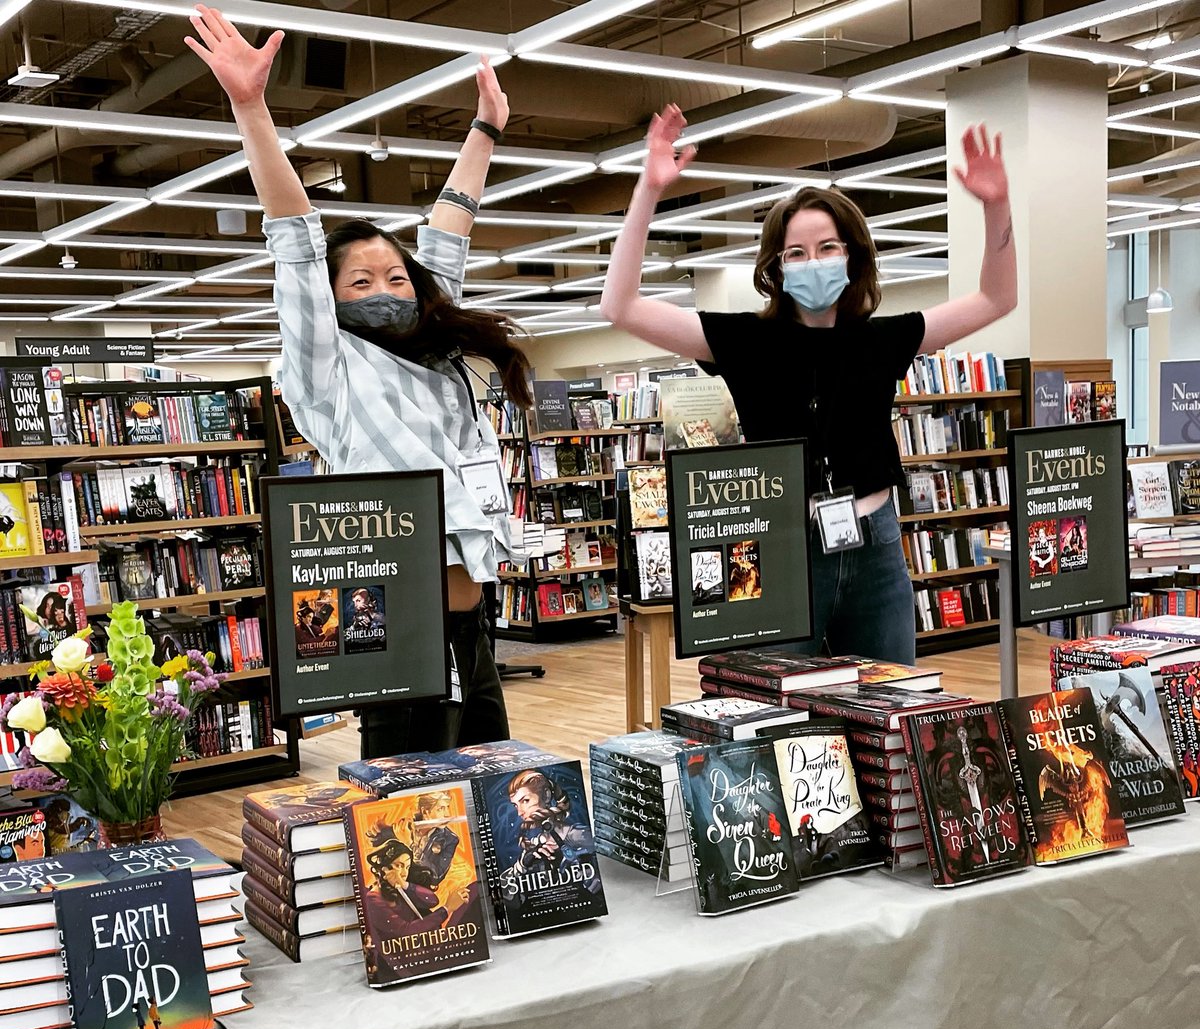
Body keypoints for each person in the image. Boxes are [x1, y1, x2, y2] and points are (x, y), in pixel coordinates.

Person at [186, 6, 531, 755]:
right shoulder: (328, 373)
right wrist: (251, 107)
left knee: (493, 778)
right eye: (361, 279)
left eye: (396, 276)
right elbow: (295, 244)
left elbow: (447, 237)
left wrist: (485, 130)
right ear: (332, 300)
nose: (388, 288)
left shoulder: (434, 353)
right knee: (411, 807)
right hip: (397, 632)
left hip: (471, 624)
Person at [599, 105, 1017, 665]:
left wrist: (996, 205)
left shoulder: (882, 339)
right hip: (780, 550)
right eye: (796, 252)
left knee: (889, 711)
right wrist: (649, 191)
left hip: (877, 547)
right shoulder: (745, 341)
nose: (812, 262)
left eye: (826, 248)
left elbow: (998, 298)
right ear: (777, 266)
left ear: (852, 256)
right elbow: (619, 305)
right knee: (777, 719)